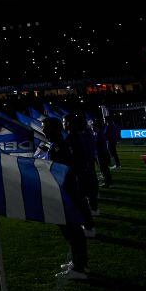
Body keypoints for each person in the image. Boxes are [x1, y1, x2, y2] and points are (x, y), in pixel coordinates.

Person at [41, 117, 91, 279]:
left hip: (65, 194)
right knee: (73, 230)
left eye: (45, 127)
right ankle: (80, 263)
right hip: (68, 192)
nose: (43, 130)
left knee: (72, 230)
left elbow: (63, 172)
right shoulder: (61, 145)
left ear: (53, 129)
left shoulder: (61, 147)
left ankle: (79, 268)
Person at [63, 113, 99, 235]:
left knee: (80, 201)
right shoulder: (77, 136)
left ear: (69, 123)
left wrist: (79, 172)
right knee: (82, 200)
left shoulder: (74, 138)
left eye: (64, 122)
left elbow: (78, 157)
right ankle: (89, 223)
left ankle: (88, 227)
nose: (63, 124)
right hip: (81, 172)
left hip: (78, 174)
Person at [91, 118, 113, 188]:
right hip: (102, 154)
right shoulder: (98, 134)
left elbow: (100, 145)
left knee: (104, 169)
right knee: (104, 169)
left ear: (96, 127)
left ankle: (107, 182)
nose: (92, 129)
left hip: (102, 154)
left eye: (93, 127)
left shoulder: (99, 135)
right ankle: (108, 181)